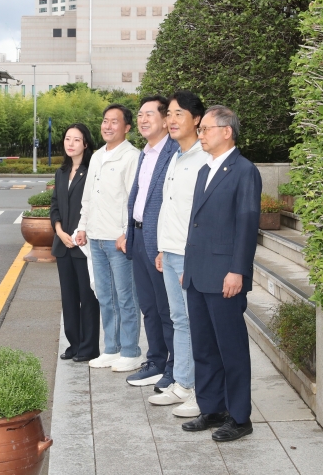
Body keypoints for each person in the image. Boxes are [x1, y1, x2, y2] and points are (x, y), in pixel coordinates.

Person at [179, 105, 261, 442]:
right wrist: (187, 267)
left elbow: (246, 224)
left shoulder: (244, 171)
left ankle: (239, 417)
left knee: (232, 348)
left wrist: (237, 271)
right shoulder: (204, 170)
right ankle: (212, 408)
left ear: (227, 131)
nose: (201, 135)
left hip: (225, 275)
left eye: (206, 129)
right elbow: (195, 225)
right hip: (199, 274)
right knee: (204, 346)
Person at [149, 90, 208, 418]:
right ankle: (184, 383)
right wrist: (162, 248)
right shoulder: (175, 157)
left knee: (198, 323)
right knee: (181, 320)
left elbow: (202, 215)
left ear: (197, 119)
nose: (171, 120)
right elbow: (169, 208)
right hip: (170, 251)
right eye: (168, 114)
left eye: (178, 114)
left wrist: (194, 257)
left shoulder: (204, 158)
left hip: (190, 255)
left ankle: (203, 391)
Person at [76, 104, 142, 373]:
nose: (108, 126)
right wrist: (82, 227)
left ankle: (130, 351)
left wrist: (127, 232)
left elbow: (133, 199)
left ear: (127, 127)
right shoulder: (97, 157)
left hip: (118, 240)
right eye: (105, 121)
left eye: (115, 122)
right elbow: (88, 196)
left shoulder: (132, 157)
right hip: (96, 237)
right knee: (105, 295)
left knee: (126, 296)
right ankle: (111, 349)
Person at [123, 96, 180, 388]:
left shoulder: (173, 152)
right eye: (140, 115)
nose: (143, 120)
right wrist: (128, 232)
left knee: (166, 308)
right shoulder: (145, 153)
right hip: (139, 237)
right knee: (148, 305)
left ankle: (174, 367)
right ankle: (156, 360)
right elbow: (138, 197)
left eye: (150, 114)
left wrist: (162, 246)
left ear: (165, 119)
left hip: (160, 242)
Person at [50, 123, 101, 363]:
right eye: (67, 139)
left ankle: (89, 347)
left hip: (83, 244)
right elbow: (55, 206)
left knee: (87, 297)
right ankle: (74, 344)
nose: (70, 144)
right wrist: (59, 231)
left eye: (76, 140)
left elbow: (93, 207)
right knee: (69, 297)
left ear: (86, 144)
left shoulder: (92, 171)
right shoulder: (61, 172)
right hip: (63, 244)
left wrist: (81, 231)